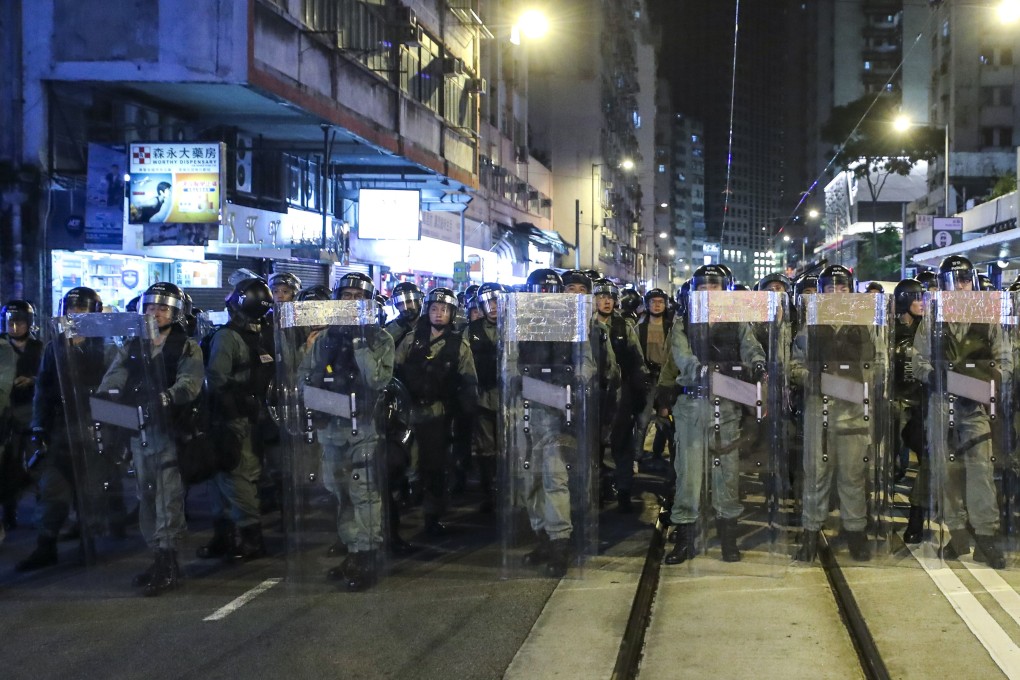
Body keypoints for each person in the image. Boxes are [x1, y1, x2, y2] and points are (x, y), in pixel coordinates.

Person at [95, 282, 203, 595]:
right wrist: (106, 396)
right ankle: (157, 556)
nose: (154, 313)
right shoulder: (133, 345)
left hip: (169, 432)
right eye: (150, 307)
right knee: (146, 497)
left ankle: (170, 562)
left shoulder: (186, 347)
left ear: (176, 313)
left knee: (168, 499)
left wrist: (165, 398)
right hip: (137, 430)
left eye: (162, 308)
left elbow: (190, 385)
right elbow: (114, 376)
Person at [295, 277, 394, 590]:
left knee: (363, 493)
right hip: (331, 428)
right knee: (339, 492)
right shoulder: (324, 338)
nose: (351, 301)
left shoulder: (380, 338)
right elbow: (304, 377)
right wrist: (315, 401)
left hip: (363, 428)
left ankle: (368, 553)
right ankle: (353, 548)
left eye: (358, 297)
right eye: (346, 295)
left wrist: (359, 341)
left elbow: (378, 380)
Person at [912, 255, 1011, 568]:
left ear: (974, 281)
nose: (961, 286)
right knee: (946, 474)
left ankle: (986, 538)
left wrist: (987, 381)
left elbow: (1006, 362)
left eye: (965, 280)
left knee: (980, 474)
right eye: (954, 281)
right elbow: (917, 360)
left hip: (976, 405)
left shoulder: (987, 318)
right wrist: (935, 376)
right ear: (943, 285)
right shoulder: (933, 320)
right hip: (942, 404)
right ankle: (957, 534)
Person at [665, 264, 766, 565]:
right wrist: (699, 370)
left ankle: (728, 538)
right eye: (703, 287)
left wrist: (758, 365)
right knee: (689, 476)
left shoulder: (736, 320)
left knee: (727, 474)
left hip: (728, 403)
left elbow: (751, 348)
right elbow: (682, 354)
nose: (709, 292)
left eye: (715, 287)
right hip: (694, 403)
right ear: (694, 291)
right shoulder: (683, 321)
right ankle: (684, 538)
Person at [508, 269, 596, 577]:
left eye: (550, 290)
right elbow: (508, 360)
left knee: (554, 477)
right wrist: (514, 380)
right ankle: (541, 536)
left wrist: (574, 380)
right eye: (539, 290)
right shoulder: (519, 321)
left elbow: (586, 361)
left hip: (559, 409)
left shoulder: (572, 321)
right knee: (529, 479)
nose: (545, 295)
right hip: (527, 410)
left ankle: (560, 541)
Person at [793, 265, 881, 563]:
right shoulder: (811, 325)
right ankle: (810, 531)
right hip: (822, 407)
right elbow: (795, 365)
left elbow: (879, 363)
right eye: (830, 288)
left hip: (855, 407)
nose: (836, 293)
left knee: (853, 476)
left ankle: (856, 531)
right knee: (817, 474)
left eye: (842, 287)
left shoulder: (866, 325)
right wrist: (818, 381)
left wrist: (858, 382)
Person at [16, 287, 103, 572]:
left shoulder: (105, 346)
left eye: (81, 311)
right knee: (53, 489)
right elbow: (43, 387)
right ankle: (46, 544)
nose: (75, 315)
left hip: (91, 426)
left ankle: (87, 543)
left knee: (88, 490)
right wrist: (38, 425)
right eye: (71, 310)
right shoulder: (56, 345)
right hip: (59, 427)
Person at [197, 277, 274, 562]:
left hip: (234, 421)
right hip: (246, 418)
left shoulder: (228, 337)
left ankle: (250, 538)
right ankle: (224, 536)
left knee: (236, 478)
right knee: (225, 477)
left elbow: (216, 379)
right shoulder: (261, 334)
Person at [394, 286, 478, 536]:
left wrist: (465, 418)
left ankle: (432, 516)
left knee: (435, 466)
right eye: (434, 309)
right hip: (409, 412)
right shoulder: (411, 339)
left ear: (452, 314)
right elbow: (394, 371)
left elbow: (469, 382)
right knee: (403, 463)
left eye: (444, 309)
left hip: (439, 414)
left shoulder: (459, 344)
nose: (439, 314)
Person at [594, 278, 648, 513]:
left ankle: (624, 489)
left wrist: (639, 392)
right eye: (601, 297)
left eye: (610, 298)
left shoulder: (623, 326)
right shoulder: (585, 325)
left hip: (620, 394)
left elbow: (637, 359)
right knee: (595, 445)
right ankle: (599, 487)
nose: (606, 302)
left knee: (622, 444)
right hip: (593, 394)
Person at [0, 301, 43, 531]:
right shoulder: (1, 346)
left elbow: (47, 374)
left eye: (21, 322)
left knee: (38, 462)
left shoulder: (39, 347)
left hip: (32, 412)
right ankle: (9, 511)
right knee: (8, 465)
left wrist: (32, 380)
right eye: (11, 322)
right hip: (7, 413)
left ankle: (42, 512)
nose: (15, 327)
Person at [891, 278, 927, 543]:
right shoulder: (888, 330)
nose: (921, 303)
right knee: (884, 462)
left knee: (928, 461)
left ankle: (917, 516)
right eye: (916, 298)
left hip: (921, 404)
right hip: (893, 403)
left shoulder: (929, 330)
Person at [466, 282, 502, 513]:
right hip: (482, 397)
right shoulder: (471, 330)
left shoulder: (516, 326)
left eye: (497, 301)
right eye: (488, 302)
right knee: (485, 448)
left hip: (510, 396)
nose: (493, 307)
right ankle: (489, 492)